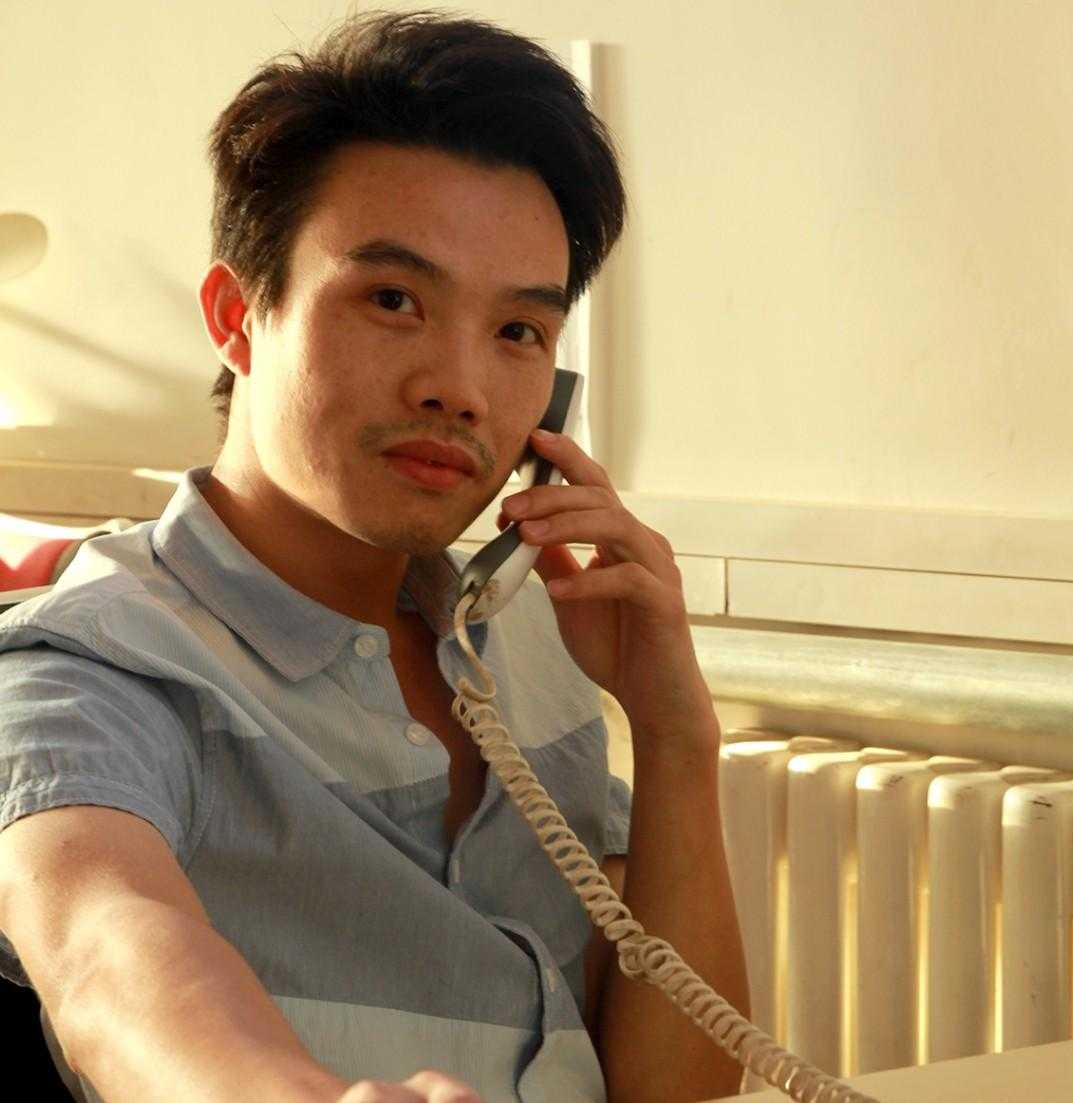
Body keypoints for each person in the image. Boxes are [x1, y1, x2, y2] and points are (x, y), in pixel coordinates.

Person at [0, 11, 748, 1103]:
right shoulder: (90, 667)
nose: (459, 388)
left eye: (518, 332)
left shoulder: (525, 639)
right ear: (238, 316)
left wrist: (676, 734)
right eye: (393, 300)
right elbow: (107, 954)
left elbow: (680, 1088)